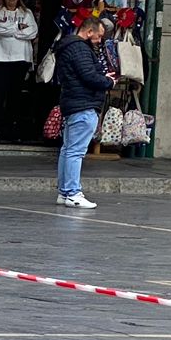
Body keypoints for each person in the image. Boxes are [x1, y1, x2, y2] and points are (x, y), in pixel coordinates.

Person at [54, 12, 114, 209]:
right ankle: (72, 193)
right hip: (83, 104)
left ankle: (64, 192)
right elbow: (89, 76)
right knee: (75, 152)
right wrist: (108, 81)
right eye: (99, 36)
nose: (100, 40)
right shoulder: (80, 49)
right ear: (89, 32)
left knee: (68, 149)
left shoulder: (68, 47)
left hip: (73, 103)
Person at [0, 0, 38, 143]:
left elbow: (33, 32)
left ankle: (12, 131)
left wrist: (12, 29)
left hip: (21, 59)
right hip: (0, 59)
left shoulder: (26, 13)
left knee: (15, 97)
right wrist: (19, 29)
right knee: (0, 95)